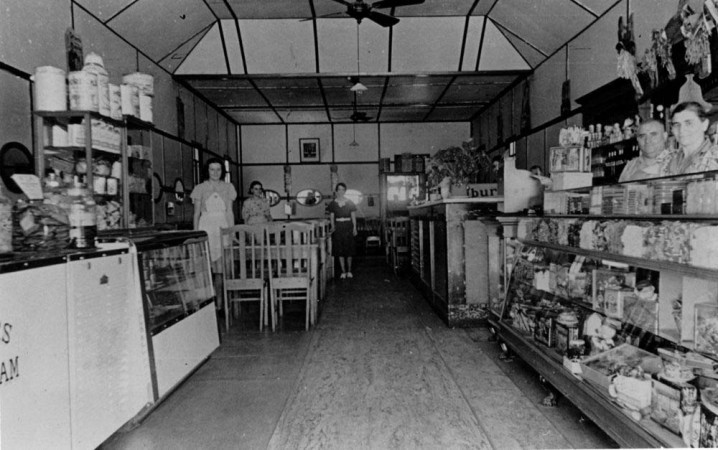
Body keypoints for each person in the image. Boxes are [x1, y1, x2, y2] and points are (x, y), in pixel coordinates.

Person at [191, 158, 237, 307]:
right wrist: (196, 234)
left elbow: (230, 212)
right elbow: (196, 213)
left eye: (218, 169)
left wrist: (232, 232)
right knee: (206, 267)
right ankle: (207, 304)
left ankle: (220, 304)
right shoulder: (200, 188)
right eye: (212, 169)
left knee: (221, 268)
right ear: (207, 171)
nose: (215, 172)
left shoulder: (228, 187)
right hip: (206, 227)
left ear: (222, 171)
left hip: (222, 226)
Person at [662, 101, 718, 175]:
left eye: (688, 123)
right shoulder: (668, 160)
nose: (681, 130)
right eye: (677, 124)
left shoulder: (714, 157)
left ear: (704, 124)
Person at [327, 183, 357, 279]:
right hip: (338, 227)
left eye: (343, 189)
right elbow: (331, 217)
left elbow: (353, 216)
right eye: (339, 189)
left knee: (349, 250)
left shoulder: (350, 202)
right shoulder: (332, 203)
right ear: (336, 191)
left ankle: (349, 271)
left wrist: (355, 227)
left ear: (345, 191)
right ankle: (343, 272)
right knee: (339, 250)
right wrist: (332, 227)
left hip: (348, 227)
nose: (341, 191)